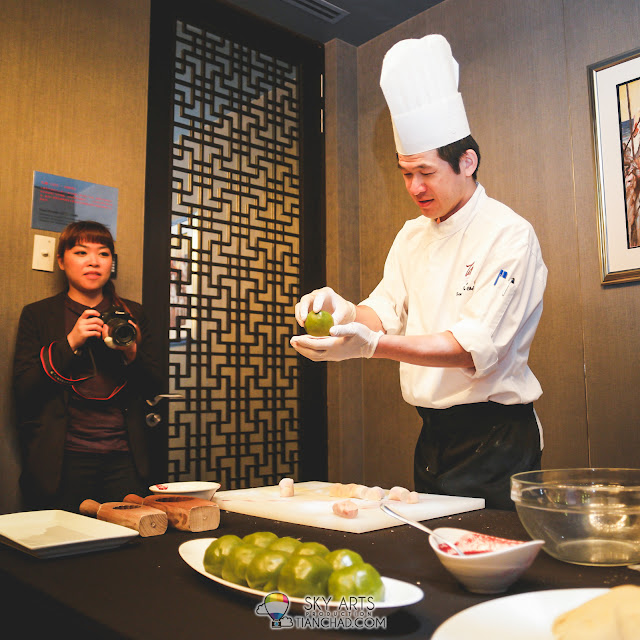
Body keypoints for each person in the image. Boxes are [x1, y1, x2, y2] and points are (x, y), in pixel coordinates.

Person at [290, 35, 547, 510]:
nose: (414, 187)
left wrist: (371, 348)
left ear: (466, 162)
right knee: (433, 557)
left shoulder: (509, 234)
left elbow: (472, 349)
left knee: (491, 566)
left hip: (495, 437)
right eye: (405, 173)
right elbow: (382, 312)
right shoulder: (412, 235)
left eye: (425, 172)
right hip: (431, 436)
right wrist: (342, 311)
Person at [13, 221, 162, 511]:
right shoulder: (39, 314)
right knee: (62, 544)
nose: (93, 261)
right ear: (61, 260)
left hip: (125, 457)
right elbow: (24, 389)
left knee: (129, 546)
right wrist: (70, 342)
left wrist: (131, 353)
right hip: (62, 459)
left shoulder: (132, 314)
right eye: (81, 252)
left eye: (103, 253)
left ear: (111, 262)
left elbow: (154, 385)